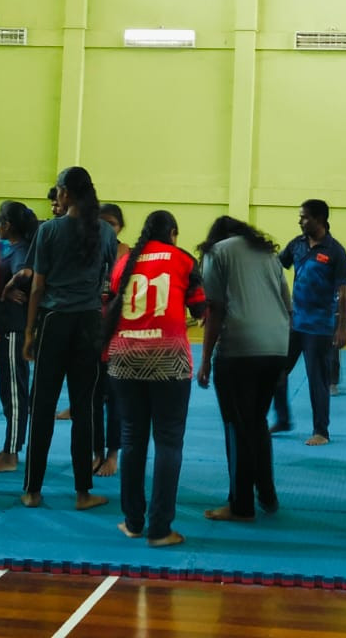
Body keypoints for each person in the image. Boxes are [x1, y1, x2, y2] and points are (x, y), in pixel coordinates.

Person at [21, 166, 119, 510]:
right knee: (84, 409)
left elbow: (37, 287)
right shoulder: (105, 232)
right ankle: (82, 493)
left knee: (43, 407)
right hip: (89, 322)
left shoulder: (49, 230)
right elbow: (112, 279)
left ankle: (32, 490)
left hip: (54, 321)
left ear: (64, 193)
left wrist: (29, 331)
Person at [105, 210, 205, 546]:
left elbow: (111, 299)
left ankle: (133, 522)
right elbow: (200, 309)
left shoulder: (125, 261)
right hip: (168, 360)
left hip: (124, 357)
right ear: (172, 233)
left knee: (132, 440)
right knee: (168, 442)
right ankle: (160, 529)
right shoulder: (183, 260)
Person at [196, 216, 291, 522]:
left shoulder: (216, 253)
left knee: (237, 427)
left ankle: (241, 505)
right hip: (276, 346)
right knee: (257, 422)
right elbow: (287, 306)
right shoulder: (270, 256)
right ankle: (267, 493)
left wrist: (205, 359)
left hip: (240, 347)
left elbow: (215, 308)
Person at [271, 200, 346, 446]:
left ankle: (321, 431)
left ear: (319, 219)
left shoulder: (335, 251)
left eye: (304, 217)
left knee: (317, 380)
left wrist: (342, 327)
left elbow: (343, 292)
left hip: (319, 327)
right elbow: (275, 266)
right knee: (277, 370)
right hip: (294, 323)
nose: (300, 221)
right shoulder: (297, 244)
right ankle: (283, 419)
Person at [0, 201, 37, 475]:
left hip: (15, 330)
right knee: (8, 391)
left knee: (14, 392)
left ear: (7, 225)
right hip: (6, 330)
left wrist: (7, 289)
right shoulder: (14, 248)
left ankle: (11, 454)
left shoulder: (21, 250)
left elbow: (26, 273)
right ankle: (8, 446)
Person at [91, 202, 130, 477]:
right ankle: (96, 452)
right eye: (101, 222)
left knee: (115, 401)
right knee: (92, 400)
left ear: (120, 227)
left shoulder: (126, 254)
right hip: (91, 333)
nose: (106, 228)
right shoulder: (86, 251)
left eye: (112, 224)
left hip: (117, 336)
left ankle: (113, 454)